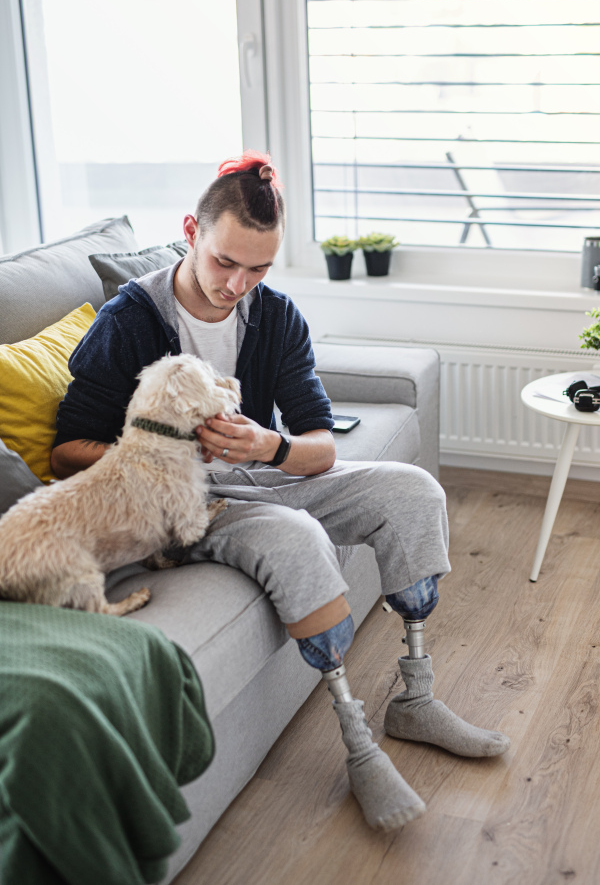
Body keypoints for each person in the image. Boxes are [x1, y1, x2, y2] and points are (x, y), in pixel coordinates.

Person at [51, 151, 510, 832]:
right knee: (295, 536)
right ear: (191, 232)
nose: (238, 285)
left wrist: (273, 447)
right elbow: (65, 454)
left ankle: (414, 700)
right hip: (177, 504)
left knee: (412, 492)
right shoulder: (129, 320)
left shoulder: (276, 317)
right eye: (224, 263)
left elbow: (321, 446)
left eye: (258, 269)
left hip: (260, 471)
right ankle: (357, 742)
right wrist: (166, 450)